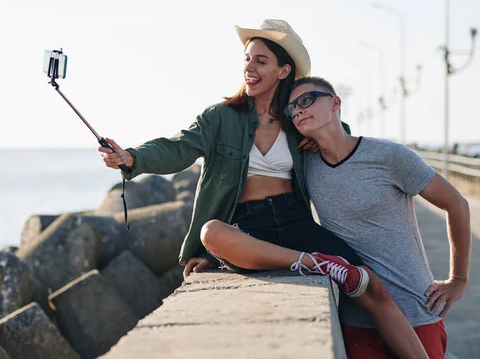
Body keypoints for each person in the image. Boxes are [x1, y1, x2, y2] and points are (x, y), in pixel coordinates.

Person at [100, 19, 428, 358]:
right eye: (246, 59)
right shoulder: (221, 117)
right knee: (211, 233)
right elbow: (178, 147)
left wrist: (322, 139)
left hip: (295, 221)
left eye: (260, 60)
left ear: (283, 70)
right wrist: (132, 158)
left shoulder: (298, 120)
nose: (249, 67)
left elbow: (338, 131)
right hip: (249, 225)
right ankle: (314, 264)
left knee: (372, 286)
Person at [285, 76, 471, 358]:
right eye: (291, 108)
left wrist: (459, 279)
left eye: (307, 100)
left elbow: (457, 204)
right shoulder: (305, 166)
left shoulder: (388, 155)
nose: (298, 110)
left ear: (335, 103)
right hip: (357, 319)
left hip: (416, 312)